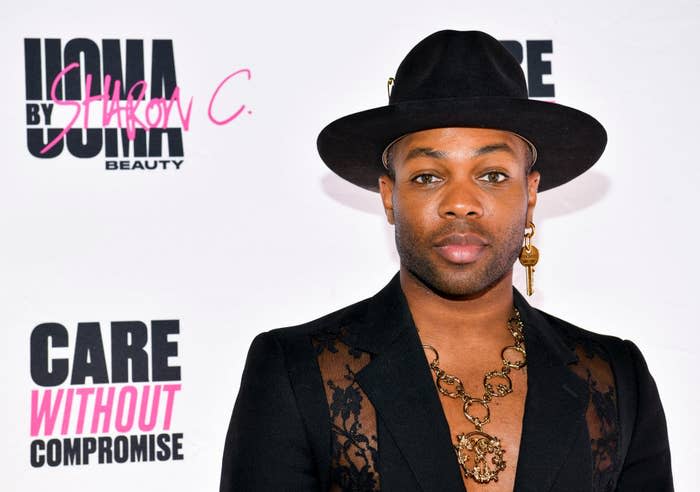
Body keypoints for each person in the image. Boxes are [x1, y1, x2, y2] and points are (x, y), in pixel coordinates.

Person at [219, 30, 673, 492]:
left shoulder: (616, 379)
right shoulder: (296, 373)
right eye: (429, 176)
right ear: (390, 195)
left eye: (493, 175)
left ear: (530, 192)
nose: (461, 203)